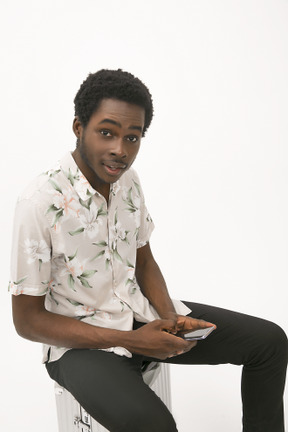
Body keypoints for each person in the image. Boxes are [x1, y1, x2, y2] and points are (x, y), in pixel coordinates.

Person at [9, 69, 287, 432]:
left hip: (139, 315)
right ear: (79, 127)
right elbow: (26, 321)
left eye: (133, 137)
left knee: (269, 343)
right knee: (154, 425)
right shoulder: (39, 202)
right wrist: (129, 340)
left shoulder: (127, 181)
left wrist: (170, 317)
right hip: (77, 344)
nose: (120, 150)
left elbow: (143, 259)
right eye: (106, 132)